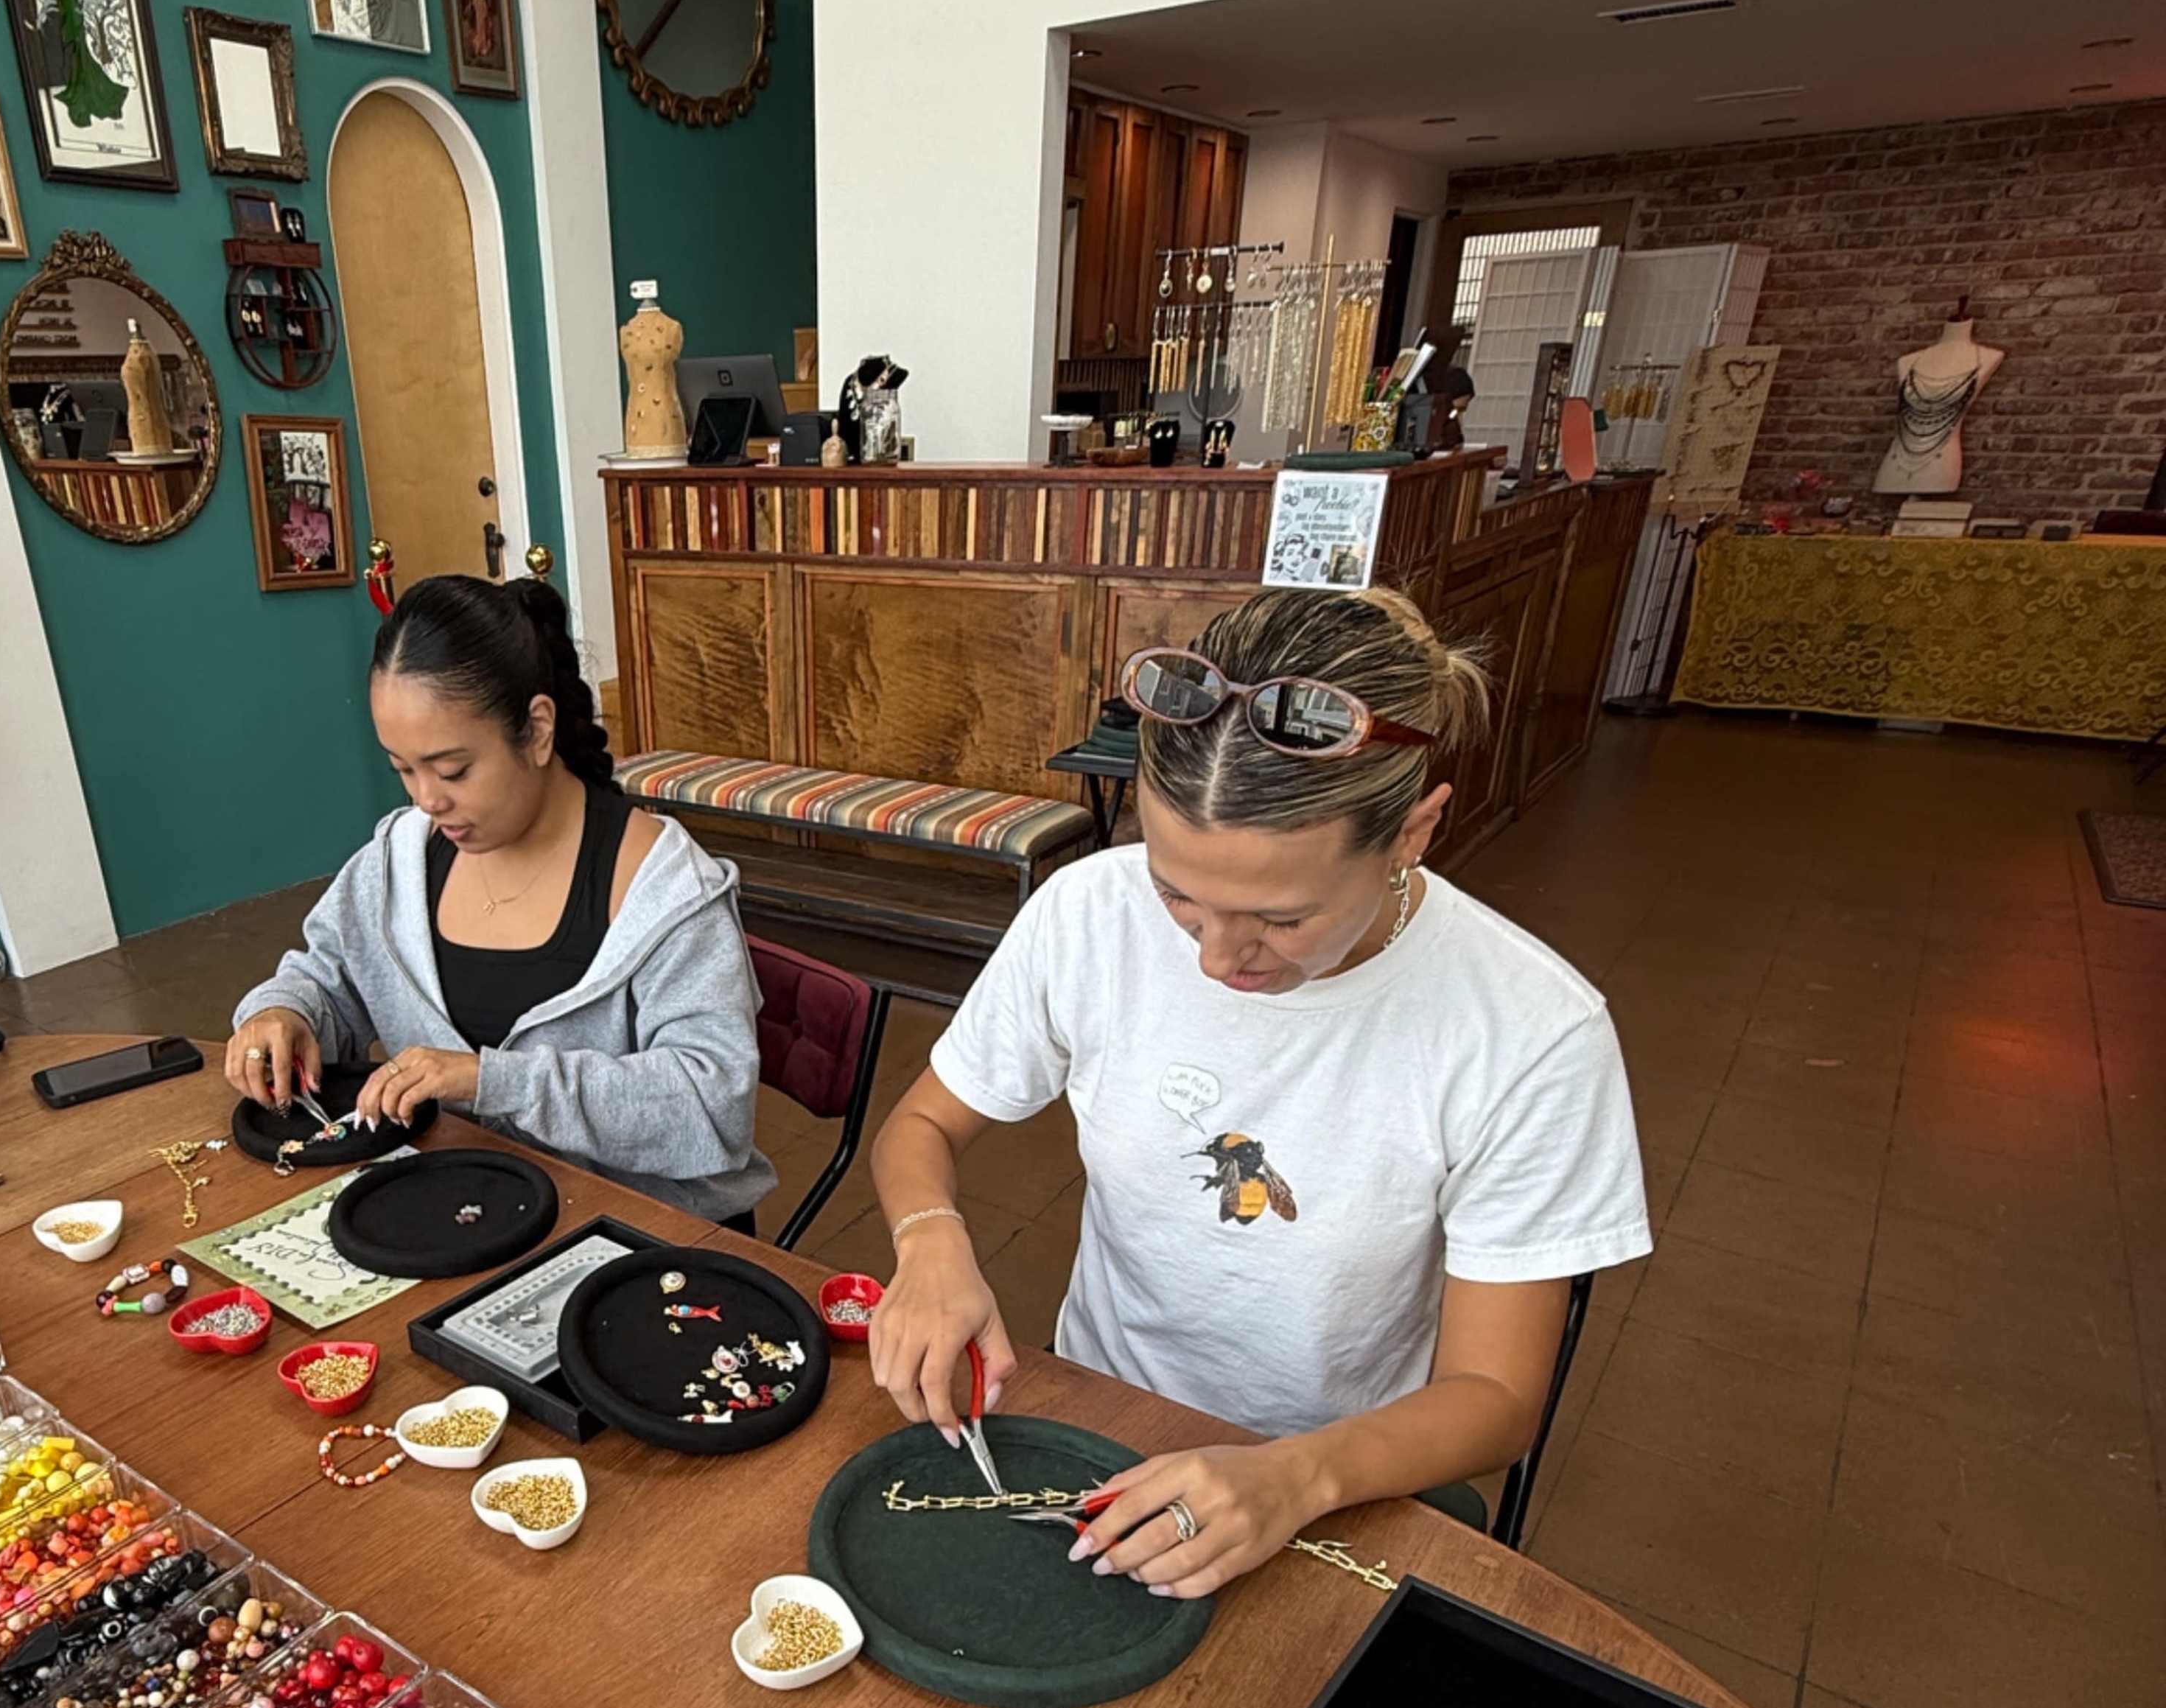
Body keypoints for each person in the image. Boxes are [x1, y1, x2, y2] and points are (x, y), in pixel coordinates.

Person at [865, 582, 1647, 1596]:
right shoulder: (1088, 915)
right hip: (1098, 1405)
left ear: (1414, 834)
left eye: (1277, 918)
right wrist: (930, 1240)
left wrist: (1294, 1477)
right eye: (1177, 895)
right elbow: (924, 1122)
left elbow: (1495, 1396)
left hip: (1341, 1468)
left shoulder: (1531, 1031)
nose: (1216, 959)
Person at [225, 573, 774, 1220]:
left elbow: (712, 1107)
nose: (427, 799)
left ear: (538, 730)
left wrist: (493, 1082)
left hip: (637, 1237)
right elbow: (329, 980)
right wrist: (285, 1012)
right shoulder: (402, 858)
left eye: (453, 770)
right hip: (462, 1209)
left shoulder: (666, 889)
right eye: (403, 769)